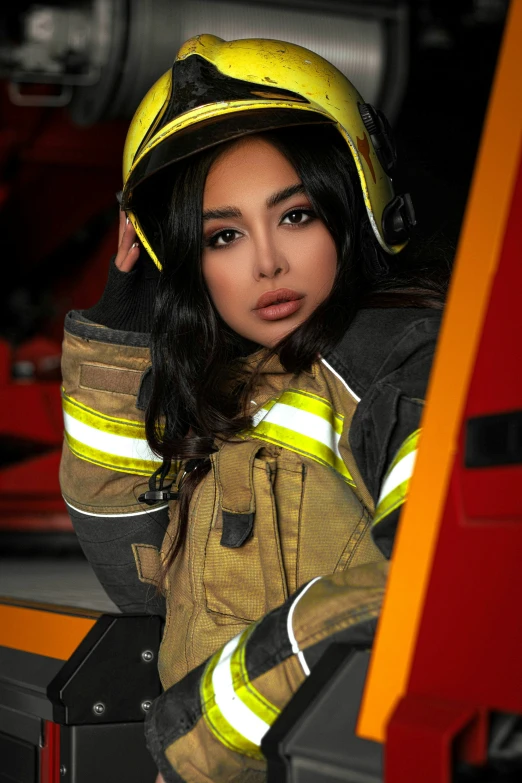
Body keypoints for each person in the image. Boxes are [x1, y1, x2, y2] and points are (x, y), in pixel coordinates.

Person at [59, 34, 446, 782]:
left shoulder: (399, 362)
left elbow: (433, 588)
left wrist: (197, 727)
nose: (265, 261)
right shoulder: (235, 389)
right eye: (223, 235)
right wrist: (126, 320)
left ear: (356, 203)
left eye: (295, 216)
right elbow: (141, 572)